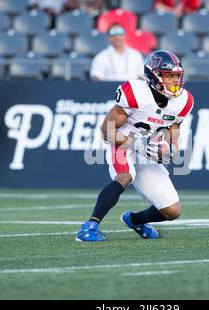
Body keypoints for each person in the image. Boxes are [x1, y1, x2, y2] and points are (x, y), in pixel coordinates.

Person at [76, 50, 194, 242]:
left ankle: (135, 220)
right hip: (123, 143)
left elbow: (173, 133)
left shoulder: (184, 101)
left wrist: (169, 149)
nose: (175, 81)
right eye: (169, 76)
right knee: (125, 176)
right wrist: (135, 144)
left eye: (176, 76)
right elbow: (107, 130)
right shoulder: (136, 92)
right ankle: (89, 226)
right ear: (154, 76)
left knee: (172, 211)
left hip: (147, 148)